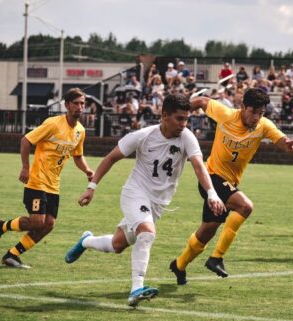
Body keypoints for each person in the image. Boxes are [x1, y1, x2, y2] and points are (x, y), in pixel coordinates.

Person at [64, 94, 225, 307]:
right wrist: (91, 187)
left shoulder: (187, 137)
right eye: (179, 118)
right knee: (147, 233)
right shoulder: (143, 136)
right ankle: (136, 289)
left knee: (118, 244)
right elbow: (111, 158)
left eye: (186, 119)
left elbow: (198, 166)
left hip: (158, 203)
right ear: (164, 115)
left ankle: (86, 240)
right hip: (135, 193)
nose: (183, 124)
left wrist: (212, 193)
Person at [169, 88, 293, 285]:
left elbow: (280, 140)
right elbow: (203, 101)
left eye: (261, 113)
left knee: (206, 232)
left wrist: (289, 144)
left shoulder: (263, 125)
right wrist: (182, 116)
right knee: (245, 206)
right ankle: (216, 258)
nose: (256, 117)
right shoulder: (227, 115)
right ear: (242, 107)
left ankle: (179, 265)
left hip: (228, 183)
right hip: (211, 177)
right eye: (253, 112)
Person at [0, 88, 94, 268]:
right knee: (37, 222)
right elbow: (26, 141)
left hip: (54, 185)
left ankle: (12, 255)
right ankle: (1, 226)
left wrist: (87, 170)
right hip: (37, 180)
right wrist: (25, 167)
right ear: (67, 105)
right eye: (76, 103)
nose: (80, 107)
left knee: (49, 225)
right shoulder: (53, 124)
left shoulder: (80, 131)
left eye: (82, 104)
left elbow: (77, 156)